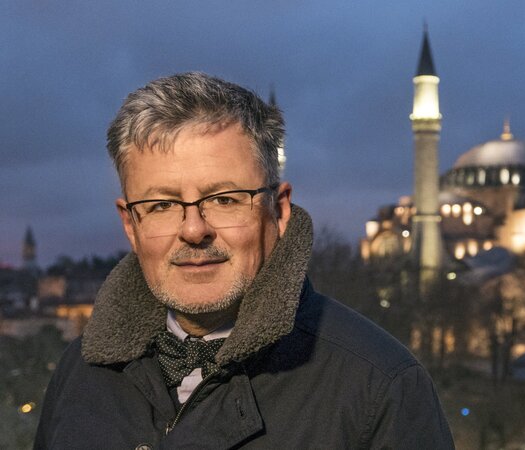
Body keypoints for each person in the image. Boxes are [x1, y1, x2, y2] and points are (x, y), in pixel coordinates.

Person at [35, 72, 454, 449]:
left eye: (224, 199)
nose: (194, 230)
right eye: (161, 204)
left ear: (280, 210)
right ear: (130, 223)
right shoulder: (81, 374)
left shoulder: (379, 386)